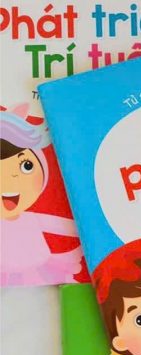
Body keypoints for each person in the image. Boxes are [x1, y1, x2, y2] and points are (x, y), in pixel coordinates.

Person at [1, 105, 82, 285]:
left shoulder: (32, 217)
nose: (12, 177)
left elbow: (67, 226)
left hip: (39, 269)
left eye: (26, 166)